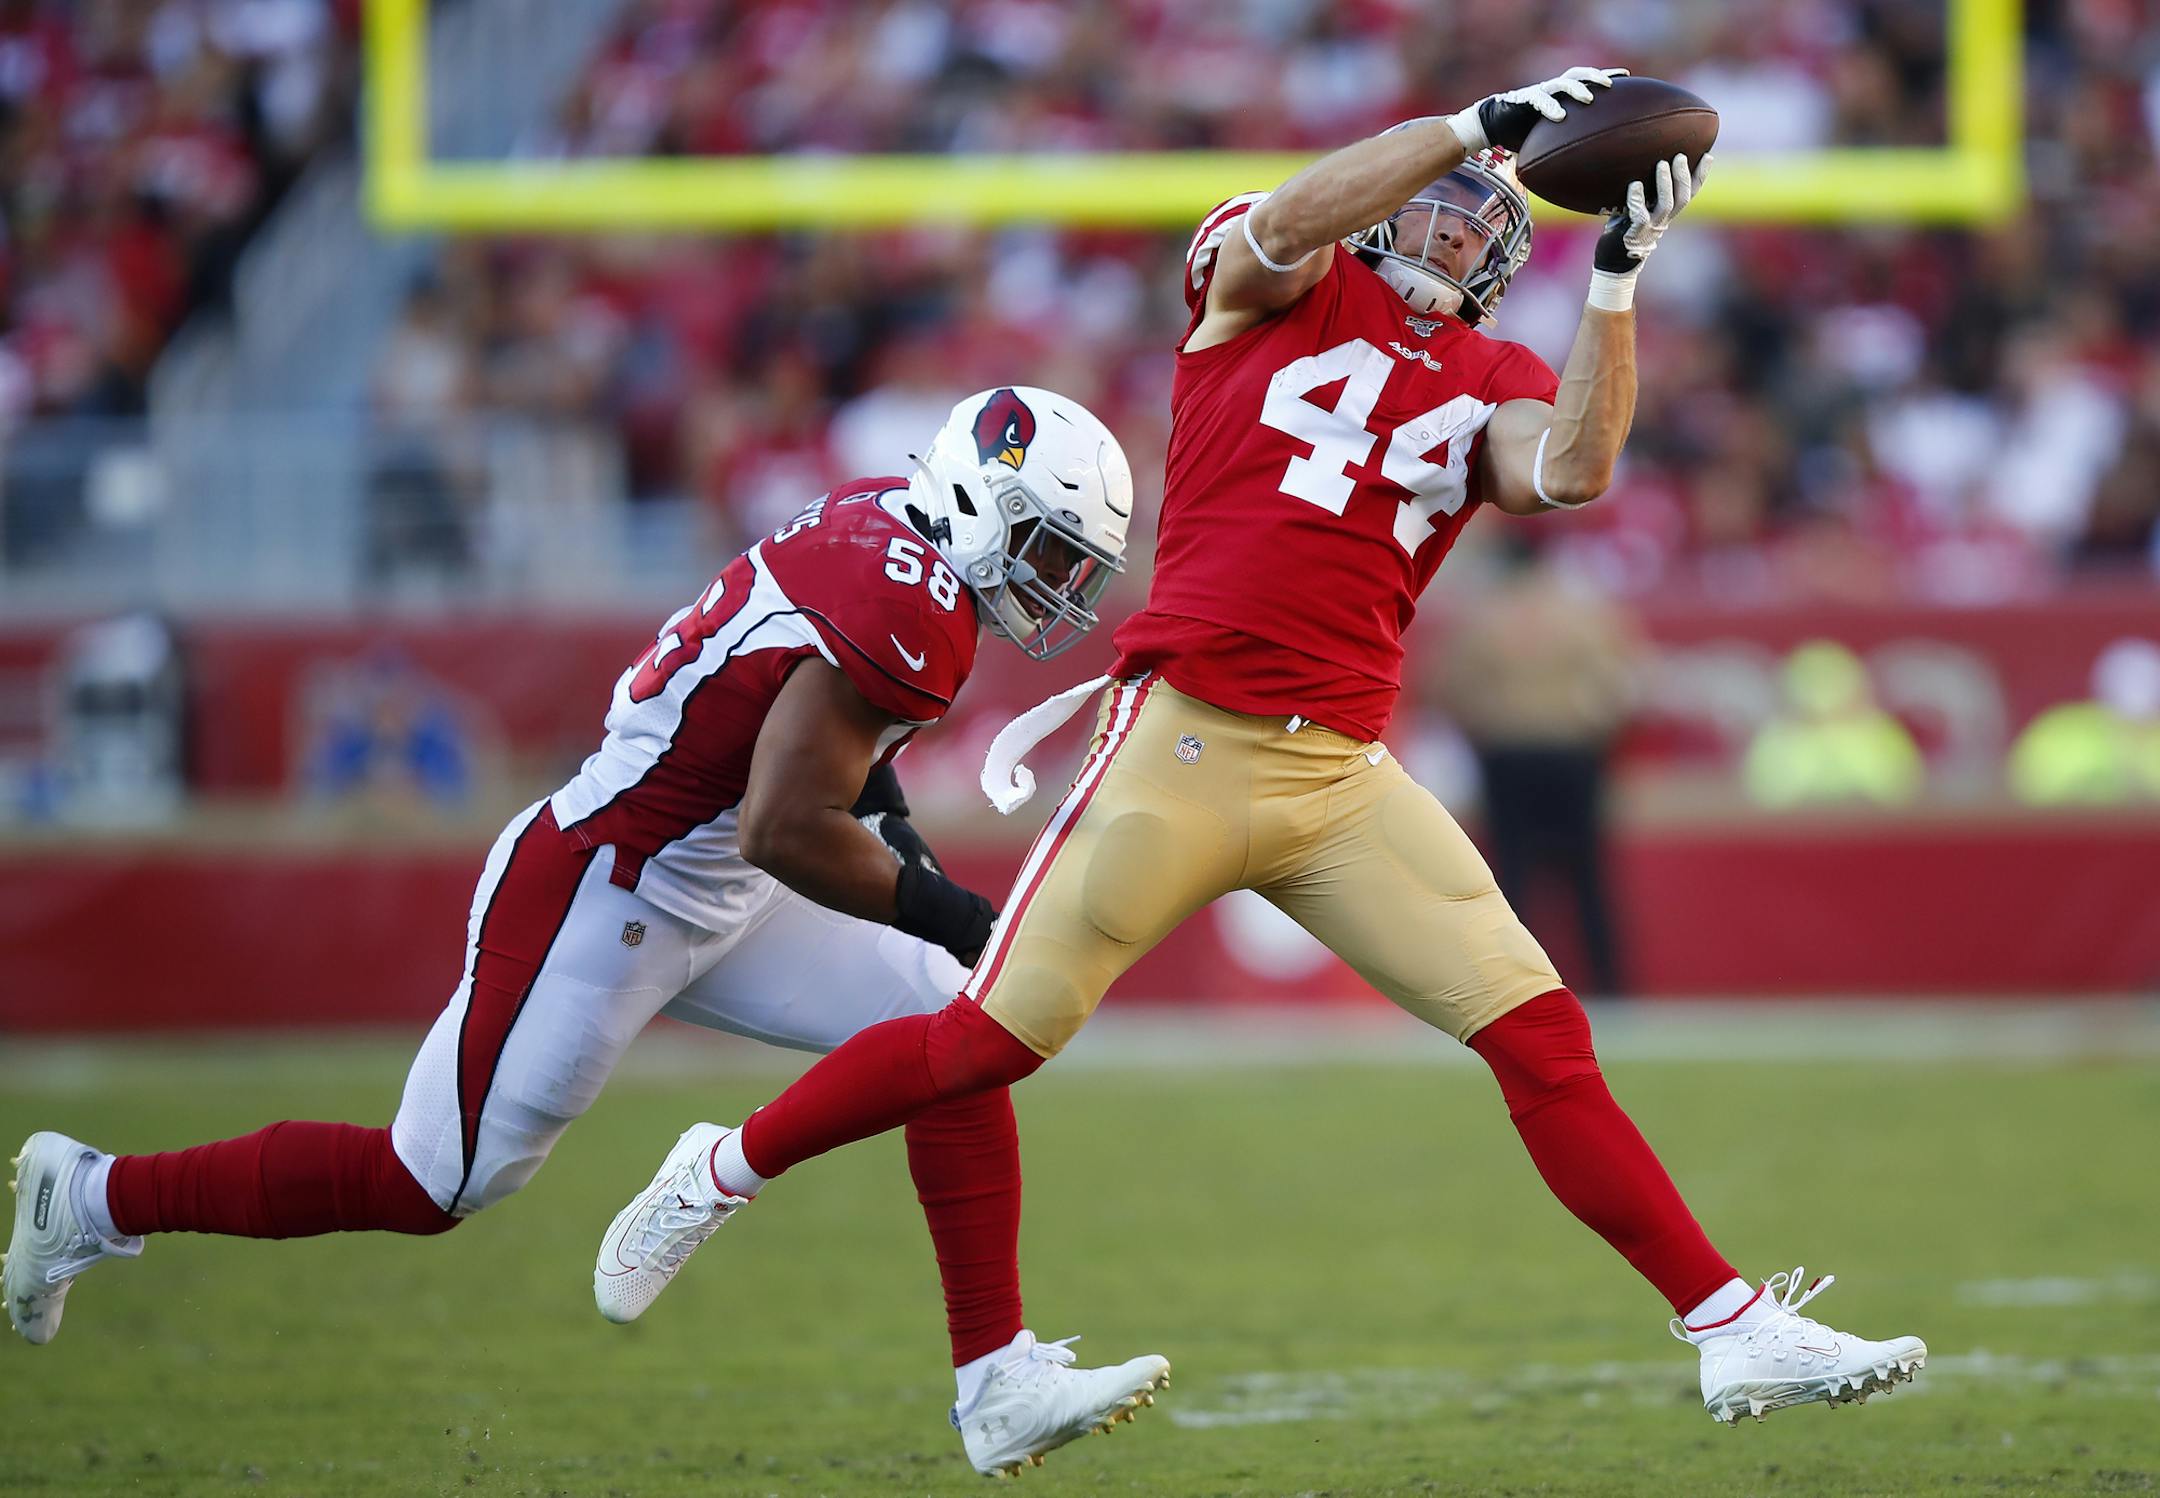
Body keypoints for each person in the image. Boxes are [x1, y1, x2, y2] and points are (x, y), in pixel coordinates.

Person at [597, 68, 1927, 1429]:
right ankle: (720, 1168)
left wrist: (1620, 274)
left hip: (1341, 771)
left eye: (1484, 226)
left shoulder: (1494, 375)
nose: (1459, 233)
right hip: (1187, 740)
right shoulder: (1273, 274)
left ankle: (1729, 1322)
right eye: (1443, 208)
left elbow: (1574, 468)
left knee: (1540, 1032)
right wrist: (1470, 129)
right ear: (1390, 205)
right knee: (992, 1038)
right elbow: (1288, 220)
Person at [3, 386, 1170, 1478]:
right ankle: (94, 1197)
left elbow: (842, 775)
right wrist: (968, 912)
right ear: (980, 500)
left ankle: (995, 1381)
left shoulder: (891, 528)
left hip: (715, 882)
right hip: (610, 889)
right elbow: (784, 823)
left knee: (953, 1030)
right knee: (433, 1180)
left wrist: (928, 883)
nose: (1056, 586)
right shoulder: (905, 597)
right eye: (1048, 548)